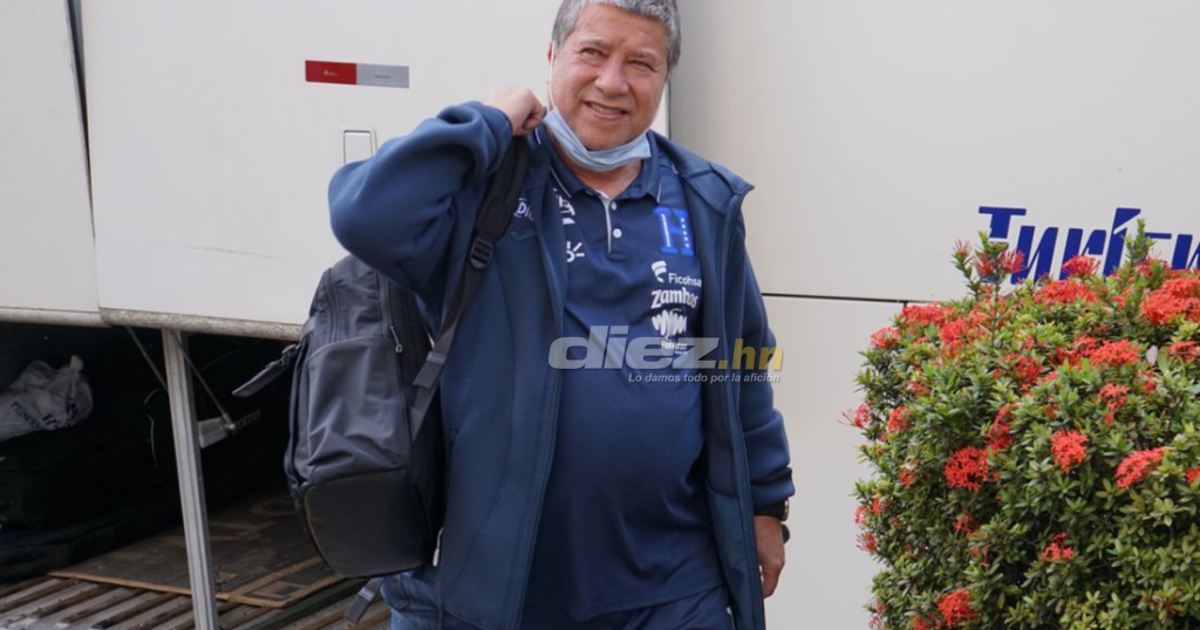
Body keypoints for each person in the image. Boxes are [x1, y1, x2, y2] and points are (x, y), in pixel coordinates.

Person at [328, 1, 794, 629]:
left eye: (641, 63)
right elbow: (364, 215)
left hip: (674, 588)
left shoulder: (703, 199)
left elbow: (743, 365)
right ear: (552, 58)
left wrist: (766, 505)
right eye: (592, 53)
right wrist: (487, 121)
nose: (612, 82)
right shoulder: (485, 185)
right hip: (497, 588)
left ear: (664, 78)